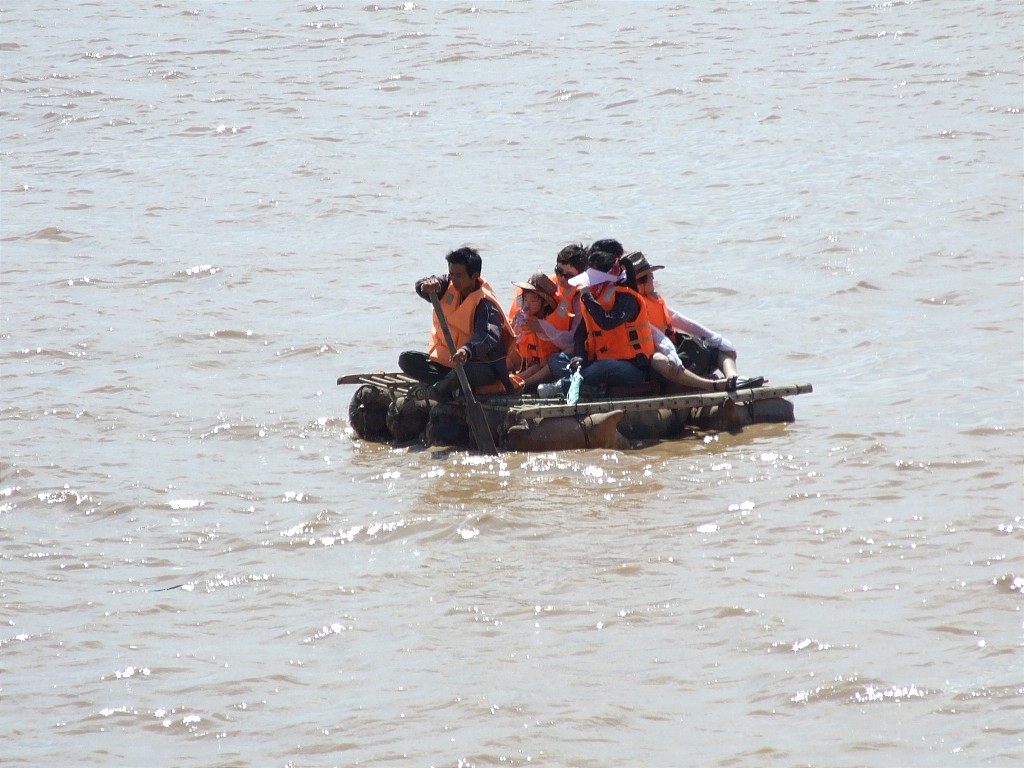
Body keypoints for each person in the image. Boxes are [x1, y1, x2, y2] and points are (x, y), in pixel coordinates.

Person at [624, 250, 761, 392]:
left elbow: (678, 319)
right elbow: (654, 335)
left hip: (675, 345)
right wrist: (670, 353)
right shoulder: (631, 305)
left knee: (721, 350)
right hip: (655, 355)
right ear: (640, 283)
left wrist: (715, 338)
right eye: (650, 276)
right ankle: (711, 385)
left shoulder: (654, 298)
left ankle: (733, 379)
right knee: (660, 361)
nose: (653, 279)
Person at [398, 246, 518, 401]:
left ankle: (437, 390)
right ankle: (448, 386)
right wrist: (425, 286)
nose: (453, 279)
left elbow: (487, 335)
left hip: (481, 367)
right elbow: (423, 285)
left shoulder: (486, 304)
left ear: (474, 276)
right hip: (450, 362)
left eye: (459, 275)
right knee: (407, 359)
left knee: (465, 370)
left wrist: (467, 350)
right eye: (451, 274)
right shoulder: (447, 283)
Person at [545, 248, 656, 394]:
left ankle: (566, 386)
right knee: (556, 359)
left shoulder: (627, 299)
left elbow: (607, 322)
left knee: (604, 367)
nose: (590, 286)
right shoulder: (597, 298)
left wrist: (587, 297)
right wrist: (579, 357)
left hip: (632, 366)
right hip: (598, 361)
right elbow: (580, 335)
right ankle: (588, 388)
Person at [509, 271, 561, 391]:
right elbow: (514, 348)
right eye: (525, 300)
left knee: (536, 368)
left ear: (545, 302)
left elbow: (558, 339)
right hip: (525, 363)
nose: (527, 304)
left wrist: (539, 329)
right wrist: (512, 328)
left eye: (533, 301)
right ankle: (510, 381)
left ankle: (519, 384)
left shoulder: (549, 322)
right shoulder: (522, 317)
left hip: (544, 367)